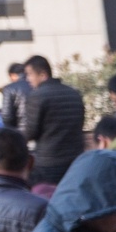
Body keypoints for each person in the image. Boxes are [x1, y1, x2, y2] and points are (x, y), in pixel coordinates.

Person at [18, 56, 82, 187]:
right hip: (76, 158)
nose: (28, 79)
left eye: (30, 74)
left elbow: (30, 131)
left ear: (43, 74)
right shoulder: (74, 93)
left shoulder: (37, 96)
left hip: (49, 161)